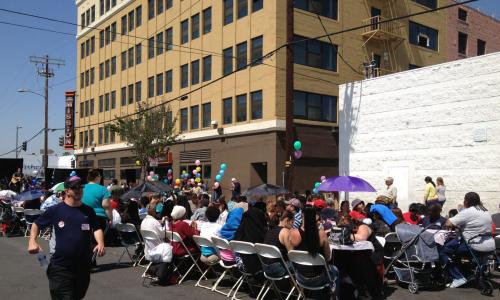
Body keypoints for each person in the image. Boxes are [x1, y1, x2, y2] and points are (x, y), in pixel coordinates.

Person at [28, 176, 105, 300]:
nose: (79, 190)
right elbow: (36, 224)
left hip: (83, 267)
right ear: (67, 191)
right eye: (75, 188)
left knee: (77, 296)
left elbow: (96, 228)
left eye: (81, 187)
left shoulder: (88, 211)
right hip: (61, 268)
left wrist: (100, 243)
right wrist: (32, 241)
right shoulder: (56, 210)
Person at [440, 192, 495, 288]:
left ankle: (458, 277)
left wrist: (456, 223)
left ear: (467, 201)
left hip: (474, 245)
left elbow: (448, 223)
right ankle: (467, 274)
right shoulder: (485, 211)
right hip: (490, 245)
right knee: (456, 252)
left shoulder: (468, 212)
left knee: (444, 251)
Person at [290, 207, 338, 293]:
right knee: (336, 270)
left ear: (301, 216)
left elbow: (292, 254)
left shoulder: (294, 233)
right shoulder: (321, 234)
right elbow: (328, 257)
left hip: (300, 277)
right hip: (319, 279)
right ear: (315, 217)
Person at [261, 211, 294, 277]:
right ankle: (295, 286)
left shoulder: (270, 230)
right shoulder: (285, 231)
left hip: (265, 267)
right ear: (287, 220)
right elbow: (292, 254)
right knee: (301, 266)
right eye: (292, 222)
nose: (292, 225)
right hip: (278, 269)